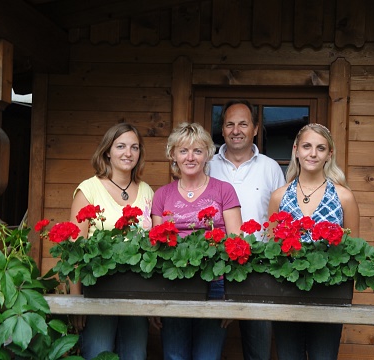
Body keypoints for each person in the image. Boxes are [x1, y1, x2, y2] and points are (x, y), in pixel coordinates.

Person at [150, 122, 242, 360]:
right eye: (183, 151)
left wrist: (232, 298)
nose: (190, 157)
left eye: (197, 151)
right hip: (173, 285)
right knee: (174, 356)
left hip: (216, 285)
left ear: (207, 155)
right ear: (173, 155)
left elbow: (236, 242)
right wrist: (154, 299)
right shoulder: (162, 195)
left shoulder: (224, 191)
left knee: (208, 356)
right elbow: (156, 248)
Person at [268, 123, 360, 360]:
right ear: (296, 150)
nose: (312, 153)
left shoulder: (343, 196)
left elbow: (354, 250)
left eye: (320, 148)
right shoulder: (279, 196)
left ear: (329, 154)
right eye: (307, 146)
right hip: (286, 292)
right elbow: (270, 249)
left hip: (328, 293)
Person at [69, 123, 153, 360]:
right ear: (107, 151)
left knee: (135, 355)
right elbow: (75, 248)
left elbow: (153, 247)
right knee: (99, 353)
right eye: (121, 146)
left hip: (138, 292)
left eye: (134, 147)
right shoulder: (89, 189)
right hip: (98, 290)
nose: (128, 153)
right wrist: (76, 299)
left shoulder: (147, 191)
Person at [209, 99, 285, 360]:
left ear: (255, 128)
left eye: (243, 123)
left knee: (259, 350)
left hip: (259, 271)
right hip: (213, 268)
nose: (236, 130)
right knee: (209, 347)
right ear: (222, 130)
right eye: (230, 124)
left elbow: (280, 222)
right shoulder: (208, 165)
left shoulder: (270, 168)